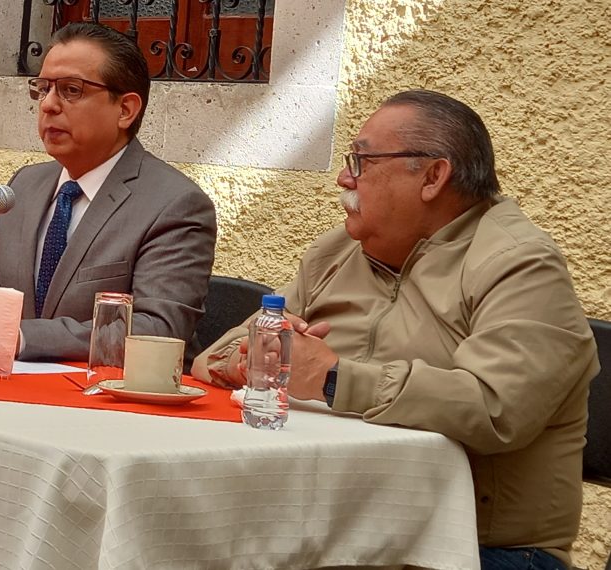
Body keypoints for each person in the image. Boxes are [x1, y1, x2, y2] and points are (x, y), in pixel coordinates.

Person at [193, 90, 599, 569]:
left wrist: (333, 377)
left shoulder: (519, 265)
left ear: (432, 177)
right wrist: (250, 361)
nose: (344, 178)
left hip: (476, 548)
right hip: (336, 530)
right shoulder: (337, 252)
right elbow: (213, 357)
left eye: (361, 162)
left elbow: (497, 408)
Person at [0, 22, 217, 362]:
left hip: (109, 392)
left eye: (71, 90)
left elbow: (157, 330)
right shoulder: (24, 186)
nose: (48, 105)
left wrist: (21, 337)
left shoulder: (174, 204)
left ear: (125, 110)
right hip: (8, 385)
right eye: (43, 88)